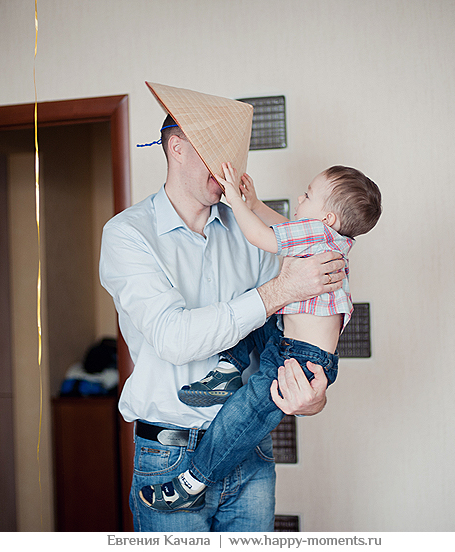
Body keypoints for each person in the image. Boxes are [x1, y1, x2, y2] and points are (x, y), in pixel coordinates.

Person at [99, 115, 346, 532]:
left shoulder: (251, 231)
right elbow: (174, 340)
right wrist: (278, 290)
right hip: (170, 457)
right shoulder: (128, 234)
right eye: (218, 154)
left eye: (236, 156)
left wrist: (312, 397)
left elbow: (292, 329)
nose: (230, 167)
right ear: (177, 149)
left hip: (251, 451)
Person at [138, 163, 382, 511]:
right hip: (292, 343)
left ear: (327, 218)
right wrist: (255, 205)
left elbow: (264, 237)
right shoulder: (329, 238)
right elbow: (285, 230)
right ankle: (227, 372)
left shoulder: (316, 234)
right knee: (253, 316)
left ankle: (192, 482)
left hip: (299, 357)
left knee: (245, 415)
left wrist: (237, 201)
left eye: (308, 195)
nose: (300, 197)